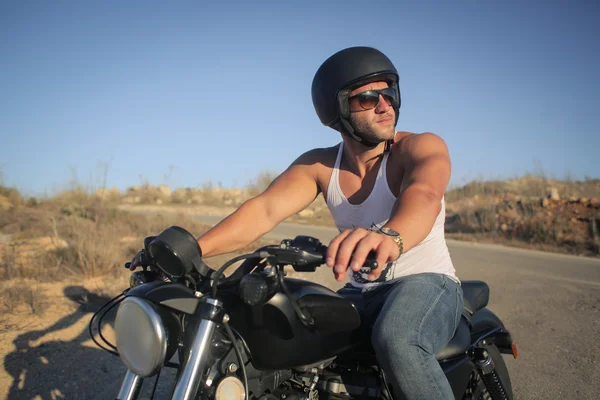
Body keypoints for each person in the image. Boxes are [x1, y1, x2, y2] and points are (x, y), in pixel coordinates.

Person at [133, 46, 463, 399]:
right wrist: (190, 251)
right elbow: (263, 211)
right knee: (285, 339)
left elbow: (424, 194)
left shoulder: (419, 146)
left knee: (398, 339)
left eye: (389, 93)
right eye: (368, 97)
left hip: (426, 282)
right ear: (337, 109)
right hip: (360, 290)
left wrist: (391, 237)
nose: (385, 105)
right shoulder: (320, 166)